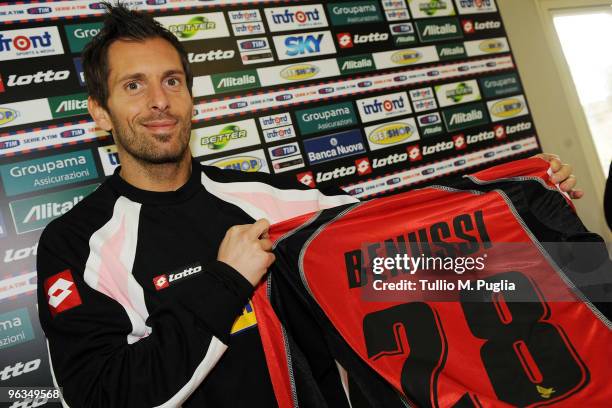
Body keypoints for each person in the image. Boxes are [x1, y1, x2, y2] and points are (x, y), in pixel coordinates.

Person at [36, 4, 581, 407]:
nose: (159, 101)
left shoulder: (268, 199)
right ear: (100, 112)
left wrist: (524, 203)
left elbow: (402, 236)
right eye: (134, 85)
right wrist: (226, 283)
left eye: (172, 81)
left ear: (190, 97)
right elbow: (101, 395)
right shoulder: (75, 242)